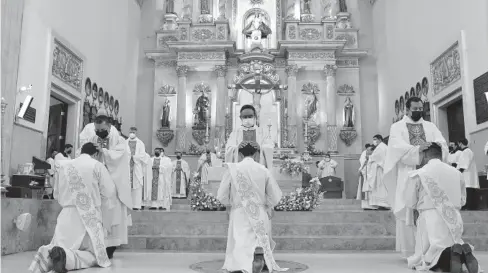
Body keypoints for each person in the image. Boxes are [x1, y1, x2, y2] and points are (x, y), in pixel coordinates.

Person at [29, 143, 116, 273]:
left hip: (66, 216)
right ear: (95, 154)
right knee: (94, 256)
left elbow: (56, 194)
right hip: (89, 218)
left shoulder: (64, 166)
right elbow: (109, 191)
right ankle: (65, 258)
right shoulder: (97, 166)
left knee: (57, 246)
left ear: (81, 152)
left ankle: (46, 255)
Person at [384, 97, 448, 259]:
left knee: (429, 212)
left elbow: (442, 143)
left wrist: (436, 146)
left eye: (421, 108)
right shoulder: (397, 127)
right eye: (415, 108)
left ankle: (430, 251)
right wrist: (418, 149)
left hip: (429, 174)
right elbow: (396, 148)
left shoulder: (430, 126)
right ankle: (411, 252)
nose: (419, 111)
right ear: (406, 109)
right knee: (409, 211)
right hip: (408, 174)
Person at [404, 143, 480, 273]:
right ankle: (460, 256)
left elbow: (410, 202)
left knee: (426, 255)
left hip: (429, 218)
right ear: (440, 155)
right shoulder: (456, 173)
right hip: (453, 218)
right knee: (452, 242)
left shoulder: (419, 173)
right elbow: (462, 200)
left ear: (425, 155)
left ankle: (443, 260)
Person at [217, 141, 288, 273]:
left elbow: (222, 194)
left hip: (239, 211)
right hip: (259, 211)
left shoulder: (233, 169)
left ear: (239, 154)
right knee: (258, 238)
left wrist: (230, 204)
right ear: (256, 154)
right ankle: (259, 259)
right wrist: (267, 205)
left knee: (240, 239)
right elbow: (275, 195)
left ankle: (240, 264)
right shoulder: (263, 170)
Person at [80, 108, 132, 259]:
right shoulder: (94, 139)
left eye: (102, 129)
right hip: (97, 185)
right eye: (97, 130)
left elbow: (120, 157)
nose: (99, 132)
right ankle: (97, 244)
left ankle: (111, 247)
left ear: (109, 127)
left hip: (113, 185)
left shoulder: (120, 140)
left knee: (113, 214)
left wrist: (105, 152)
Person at [225, 105, 274, 169]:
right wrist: (237, 147)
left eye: (250, 116)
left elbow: (269, 147)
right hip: (240, 170)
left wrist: (260, 148)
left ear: (255, 117)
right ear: (240, 118)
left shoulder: (263, 132)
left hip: (258, 168)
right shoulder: (235, 133)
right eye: (245, 117)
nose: (247, 119)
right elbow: (229, 148)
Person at [126, 127, 149, 210]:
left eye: (133, 132)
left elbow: (143, 155)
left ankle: (136, 205)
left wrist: (134, 157)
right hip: (127, 167)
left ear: (136, 133)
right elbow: (122, 153)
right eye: (130, 132)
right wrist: (129, 157)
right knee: (127, 185)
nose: (132, 133)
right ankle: (128, 204)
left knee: (137, 186)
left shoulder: (140, 143)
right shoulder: (125, 143)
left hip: (136, 166)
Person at [364, 135, 389, 210]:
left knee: (380, 186)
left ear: (380, 139)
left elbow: (376, 157)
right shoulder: (382, 147)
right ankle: (381, 204)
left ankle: (383, 204)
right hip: (379, 169)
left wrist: (369, 158)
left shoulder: (381, 147)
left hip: (380, 170)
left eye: (375, 139)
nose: (374, 141)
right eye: (373, 139)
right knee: (379, 187)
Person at [457, 139, 480, 210]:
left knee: (468, 191)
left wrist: (458, 173)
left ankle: (469, 206)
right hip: (469, 175)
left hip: (467, 175)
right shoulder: (469, 151)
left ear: (460, 143)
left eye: (458, 144)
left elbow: (464, 165)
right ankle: (472, 206)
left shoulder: (466, 152)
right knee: (470, 191)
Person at [357, 144, 375, 210]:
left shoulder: (374, 158)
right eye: (366, 150)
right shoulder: (367, 158)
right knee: (366, 191)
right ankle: (366, 204)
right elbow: (364, 165)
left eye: (368, 150)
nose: (366, 151)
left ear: (372, 151)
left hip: (371, 177)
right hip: (366, 176)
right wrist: (361, 170)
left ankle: (371, 204)